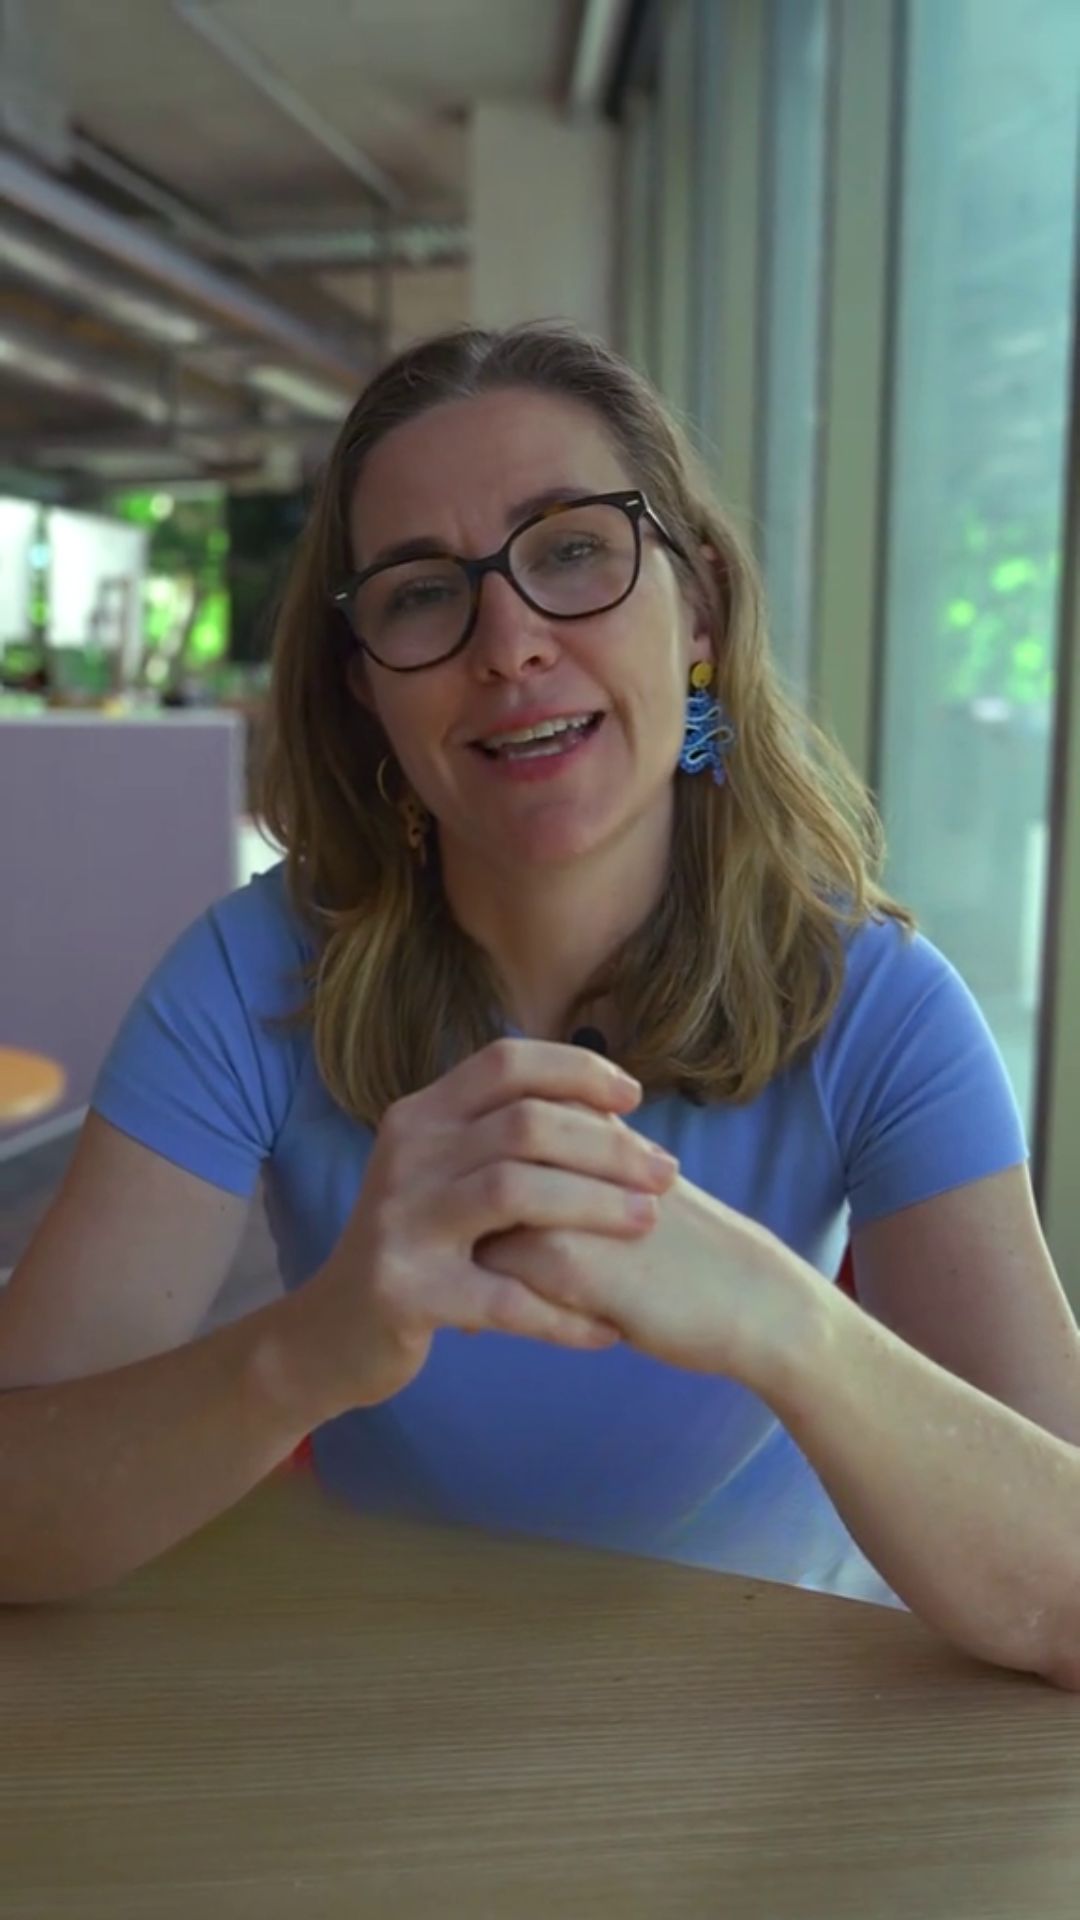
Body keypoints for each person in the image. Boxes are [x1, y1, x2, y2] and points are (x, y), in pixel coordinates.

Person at [3, 323, 1080, 1685]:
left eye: (573, 550)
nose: (507, 644)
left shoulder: (880, 1004)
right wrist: (310, 1347)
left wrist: (786, 1321)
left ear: (698, 609)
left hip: (768, 1728)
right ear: (365, 690)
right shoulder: (244, 980)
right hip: (381, 1705)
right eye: (419, 594)